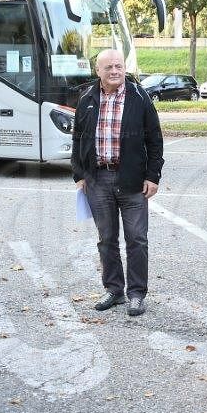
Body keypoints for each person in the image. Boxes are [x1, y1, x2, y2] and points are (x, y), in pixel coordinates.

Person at [71, 49, 164, 317]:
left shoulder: (139, 97)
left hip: (132, 180)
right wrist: (79, 174)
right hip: (98, 180)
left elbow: (155, 140)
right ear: (98, 71)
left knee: (137, 239)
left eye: (119, 66)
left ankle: (136, 294)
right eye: (109, 67)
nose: (115, 71)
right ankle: (114, 290)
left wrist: (153, 176)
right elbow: (77, 138)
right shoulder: (87, 98)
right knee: (106, 239)